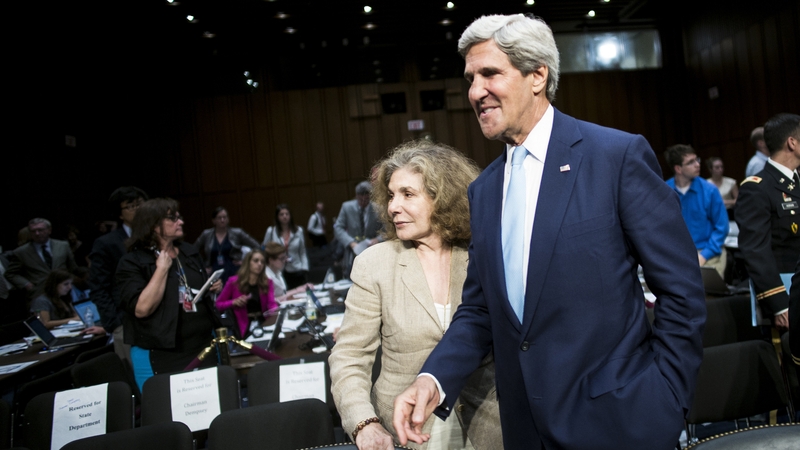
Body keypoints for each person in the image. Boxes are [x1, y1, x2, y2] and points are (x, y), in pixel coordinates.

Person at [393, 14, 705, 450]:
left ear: (538, 75)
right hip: (525, 431)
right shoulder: (483, 191)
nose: (475, 91)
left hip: (622, 423)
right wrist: (433, 379)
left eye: (490, 74)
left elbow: (681, 290)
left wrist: (666, 399)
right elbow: (482, 309)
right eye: (469, 78)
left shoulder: (615, 158)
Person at [330, 140, 501, 450]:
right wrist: (364, 424)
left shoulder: (482, 256)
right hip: (408, 432)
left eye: (408, 194)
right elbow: (350, 358)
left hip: (486, 428)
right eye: (392, 195)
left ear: (443, 198)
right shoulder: (374, 264)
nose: (394, 206)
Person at [116, 198, 222, 391]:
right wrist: (161, 270)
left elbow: (192, 292)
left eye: (179, 217)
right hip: (163, 354)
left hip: (203, 345)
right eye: (172, 219)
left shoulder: (188, 251)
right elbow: (142, 309)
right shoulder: (133, 261)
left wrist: (211, 286)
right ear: (154, 226)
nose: (180, 222)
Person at [735, 113, 800, 329]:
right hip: (789, 290)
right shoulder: (757, 188)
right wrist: (779, 304)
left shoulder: (797, 181)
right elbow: (755, 250)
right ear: (792, 142)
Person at [89, 186, 148, 367]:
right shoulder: (107, 243)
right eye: (131, 206)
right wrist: (113, 323)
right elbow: (99, 287)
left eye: (140, 204)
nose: (138, 209)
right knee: (136, 375)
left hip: (158, 319)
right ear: (120, 214)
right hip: (125, 321)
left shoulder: (156, 236)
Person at [664, 145, 729, 277]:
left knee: (706, 294)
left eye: (696, 159)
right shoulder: (664, 191)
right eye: (690, 162)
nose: (697, 164)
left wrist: (704, 255)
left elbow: (721, 228)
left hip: (708, 253)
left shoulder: (710, 190)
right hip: (678, 255)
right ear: (678, 169)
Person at [4, 218, 77, 299]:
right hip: (39, 294)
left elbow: (73, 267)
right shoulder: (21, 252)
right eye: (33, 231)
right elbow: (10, 274)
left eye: (40, 230)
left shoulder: (63, 245)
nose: (37, 233)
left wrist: (70, 282)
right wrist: (27, 284)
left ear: (49, 230)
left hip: (65, 292)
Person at [215, 249, 277, 338]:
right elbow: (218, 305)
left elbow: (272, 303)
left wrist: (277, 314)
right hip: (243, 326)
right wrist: (233, 302)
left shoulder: (267, 282)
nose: (259, 264)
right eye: (256, 261)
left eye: (262, 262)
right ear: (248, 263)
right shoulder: (234, 282)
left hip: (263, 323)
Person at [194, 207, 260, 282]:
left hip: (234, 271)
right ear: (214, 220)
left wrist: (245, 262)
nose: (222, 220)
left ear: (228, 219)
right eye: (219, 218)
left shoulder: (237, 233)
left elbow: (257, 246)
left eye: (224, 217)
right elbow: (193, 251)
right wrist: (202, 267)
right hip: (214, 273)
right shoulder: (206, 234)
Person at [334, 181, 383, 279]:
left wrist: (378, 239)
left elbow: (388, 230)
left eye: (366, 200)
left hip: (372, 250)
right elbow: (338, 227)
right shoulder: (346, 207)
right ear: (356, 196)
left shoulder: (378, 209)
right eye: (361, 200)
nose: (363, 202)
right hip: (353, 251)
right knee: (353, 278)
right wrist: (351, 242)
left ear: (370, 197)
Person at [262, 204, 309, 289]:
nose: (285, 216)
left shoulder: (298, 231)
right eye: (281, 214)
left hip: (296, 269)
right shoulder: (271, 231)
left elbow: (302, 251)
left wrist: (304, 269)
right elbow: (264, 249)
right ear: (277, 217)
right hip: (278, 270)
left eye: (287, 214)